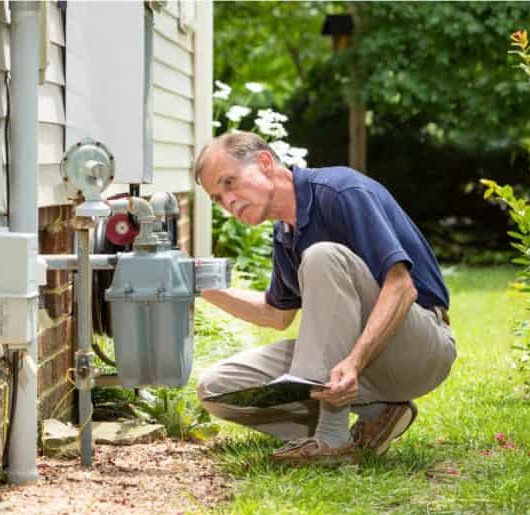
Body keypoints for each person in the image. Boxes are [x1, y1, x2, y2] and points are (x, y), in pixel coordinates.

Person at [192, 131, 456, 465]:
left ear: (264, 163)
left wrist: (354, 361)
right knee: (217, 388)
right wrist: (203, 288)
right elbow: (276, 315)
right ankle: (378, 413)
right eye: (217, 197)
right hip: (357, 366)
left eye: (229, 182)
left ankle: (332, 439)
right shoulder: (285, 233)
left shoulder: (340, 191)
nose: (227, 201)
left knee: (322, 256)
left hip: (417, 349)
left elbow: (402, 287)